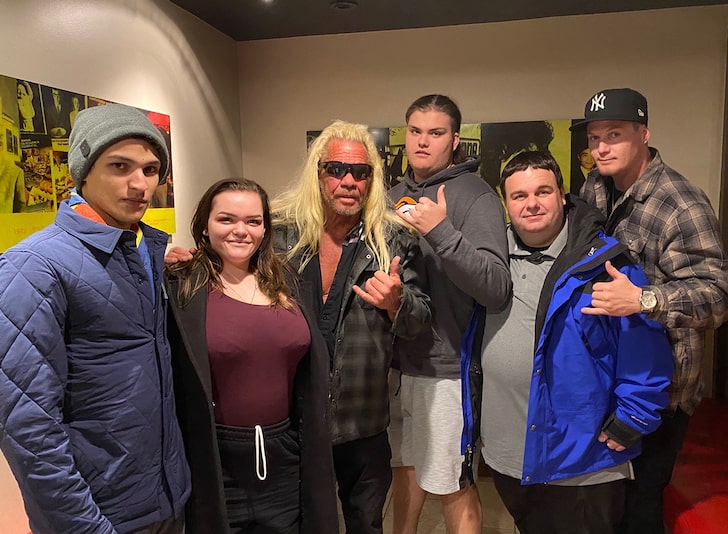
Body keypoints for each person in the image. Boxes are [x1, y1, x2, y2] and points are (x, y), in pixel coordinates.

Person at [166, 120, 431, 533]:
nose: (348, 181)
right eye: (336, 169)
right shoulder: (280, 232)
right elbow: (230, 269)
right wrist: (187, 264)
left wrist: (397, 303)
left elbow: (420, 323)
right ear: (318, 172)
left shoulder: (395, 239)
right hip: (294, 424)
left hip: (360, 419)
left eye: (360, 172)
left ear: (372, 179)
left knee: (365, 523)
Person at [0, 104, 191, 533]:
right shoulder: (32, 266)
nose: (140, 185)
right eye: (120, 166)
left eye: (151, 169)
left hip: (165, 501)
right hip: (100, 515)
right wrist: (84, 526)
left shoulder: (144, 251)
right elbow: (28, 427)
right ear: (83, 173)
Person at [479, 150, 674, 534]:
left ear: (562, 195)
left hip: (582, 463)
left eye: (542, 192)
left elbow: (646, 350)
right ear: (505, 203)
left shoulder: (606, 265)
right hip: (508, 457)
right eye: (519, 195)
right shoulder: (492, 260)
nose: (532, 204)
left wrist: (633, 418)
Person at [575, 87, 728, 533]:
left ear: (643, 134)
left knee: (640, 509)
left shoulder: (681, 202)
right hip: (608, 379)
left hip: (662, 393)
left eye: (615, 135)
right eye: (594, 137)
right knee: (602, 503)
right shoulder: (595, 187)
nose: (601, 148)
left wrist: (644, 299)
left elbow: (717, 296)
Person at [165, 178, 337, 533]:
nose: (241, 231)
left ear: (265, 228)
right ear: (205, 225)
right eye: (226, 219)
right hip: (216, 462)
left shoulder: (287, 280)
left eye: (253, 221)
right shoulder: (182, 285)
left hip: (285, 456)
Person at [389, 94, 511, 534]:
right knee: (404, 469)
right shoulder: (392, 196)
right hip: (395, 365)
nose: (423, 142)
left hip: (447, 369)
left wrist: (440, 231)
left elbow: (496, 287)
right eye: (415, 131)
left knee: (452, 482)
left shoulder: (475, 196)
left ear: (455, 140)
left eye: (436, 133)